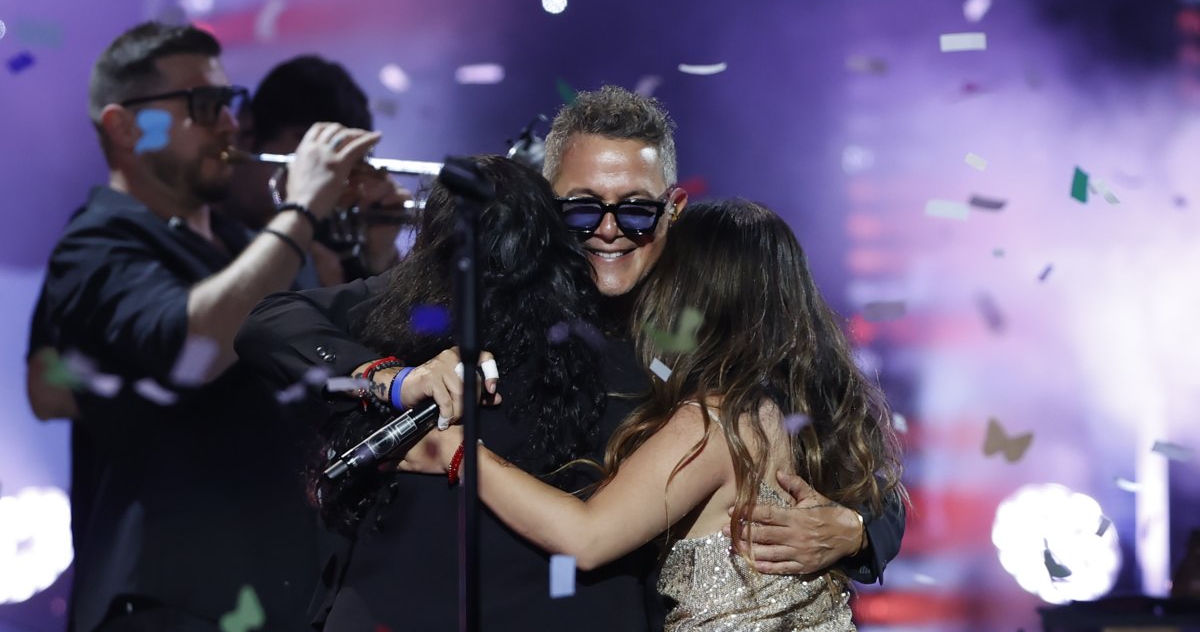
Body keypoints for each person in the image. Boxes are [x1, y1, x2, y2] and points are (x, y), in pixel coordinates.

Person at [234, 86, 904, 626]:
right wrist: (395, 378)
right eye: (582, 210)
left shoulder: (701, 329)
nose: (609, 231)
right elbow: (271, 322)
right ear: (547, 205)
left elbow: (830, 435)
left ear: (673, 208)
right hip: (412, 604)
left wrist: (857, 529)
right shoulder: (475, 288)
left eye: (635, 211)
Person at [406, 199, 907, 630]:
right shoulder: (803, 410)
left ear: (693, 291)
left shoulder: (718, 422)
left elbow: (589, 537)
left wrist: (459, 454)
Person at [30, 20, 380, 631]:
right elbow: (191, 349)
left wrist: (374, 256)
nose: (228, 122)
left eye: (229, 100)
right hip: (171, 602)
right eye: (204, 104)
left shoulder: (247, 246)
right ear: (124, 126)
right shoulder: (96, 243)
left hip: (279, 596)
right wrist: (300, 214)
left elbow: (335, 375)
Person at [218, 54, 410, 286]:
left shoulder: (328, 238)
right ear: (248, 133)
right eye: (314, 159)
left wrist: (380, 261)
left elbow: (429, 320)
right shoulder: (202, 231)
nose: (329, 182)